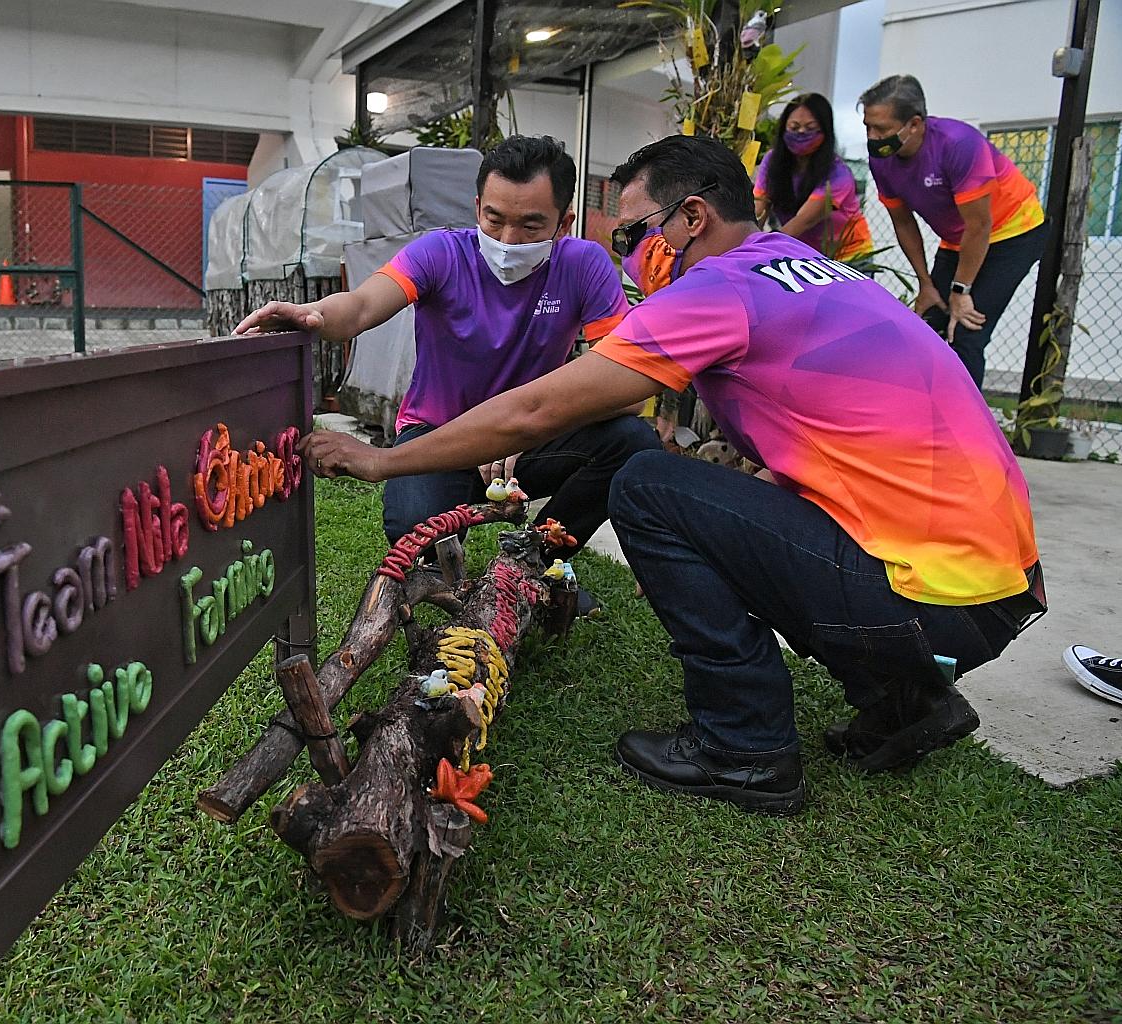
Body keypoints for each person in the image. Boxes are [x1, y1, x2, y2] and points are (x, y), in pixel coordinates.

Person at [301, 135, 1046, 816]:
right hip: (996, 589)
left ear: (690, 218)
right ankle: (907, 698)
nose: (628, 258)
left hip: (924, 596)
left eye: (633, 235)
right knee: (715, 498)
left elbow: (536, 411)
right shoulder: (808, 269)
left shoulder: (712, 290)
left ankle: (746, 745)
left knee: (648, 485)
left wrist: (379, 459)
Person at [234, 135, 660, 561]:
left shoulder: (584, 265)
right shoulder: (440, 253)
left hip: (531, 440)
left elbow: (626, 391)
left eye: (530, 226)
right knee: (414, 529)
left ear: (563, 224)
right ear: (477, 208)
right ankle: (446, 570)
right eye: (494, 220)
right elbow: (361, 305)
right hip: (437, 435)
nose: (508, 239)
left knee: (632, 442)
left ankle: (536, 560)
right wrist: (313, 314)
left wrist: (533, 427)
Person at [861, 74, 1047, 388]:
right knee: (928, 324)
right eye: (867, 127)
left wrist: (961, 292)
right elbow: (903, 222)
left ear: (914, 124)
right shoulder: (882, 161)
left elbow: (980, 225)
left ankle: (967, 418)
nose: (872, 136)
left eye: (881, 129)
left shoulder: (959, 144)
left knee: (965, 332)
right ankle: (924, 409)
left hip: (1012, 231)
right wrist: (925, 283)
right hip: (959, 238)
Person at [754, 93, 875, 262]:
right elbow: (758, 208)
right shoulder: (772, 161)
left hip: (849, 257)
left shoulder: (837, 173)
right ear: (783, 128)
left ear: (825, 131)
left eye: (810, 128)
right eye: (794, 127)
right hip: (804, 255)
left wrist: (759, 250)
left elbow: (804, 221)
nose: (801, 132)